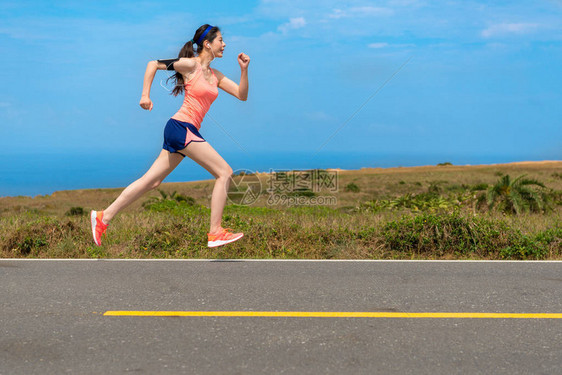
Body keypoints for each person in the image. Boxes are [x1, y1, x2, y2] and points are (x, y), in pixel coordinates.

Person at [90, 24, 249, 248]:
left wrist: (243, 69)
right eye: (220, 40)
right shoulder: (191, 65)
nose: (224, 44)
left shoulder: (216, 76)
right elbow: (153, 64)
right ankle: (215, 232)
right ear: (207, 44)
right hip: (181, 127)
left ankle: (102, 217)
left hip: (185, 130)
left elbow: (242, 95)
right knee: (225, 172)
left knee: (152, 181)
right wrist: (145, 95)